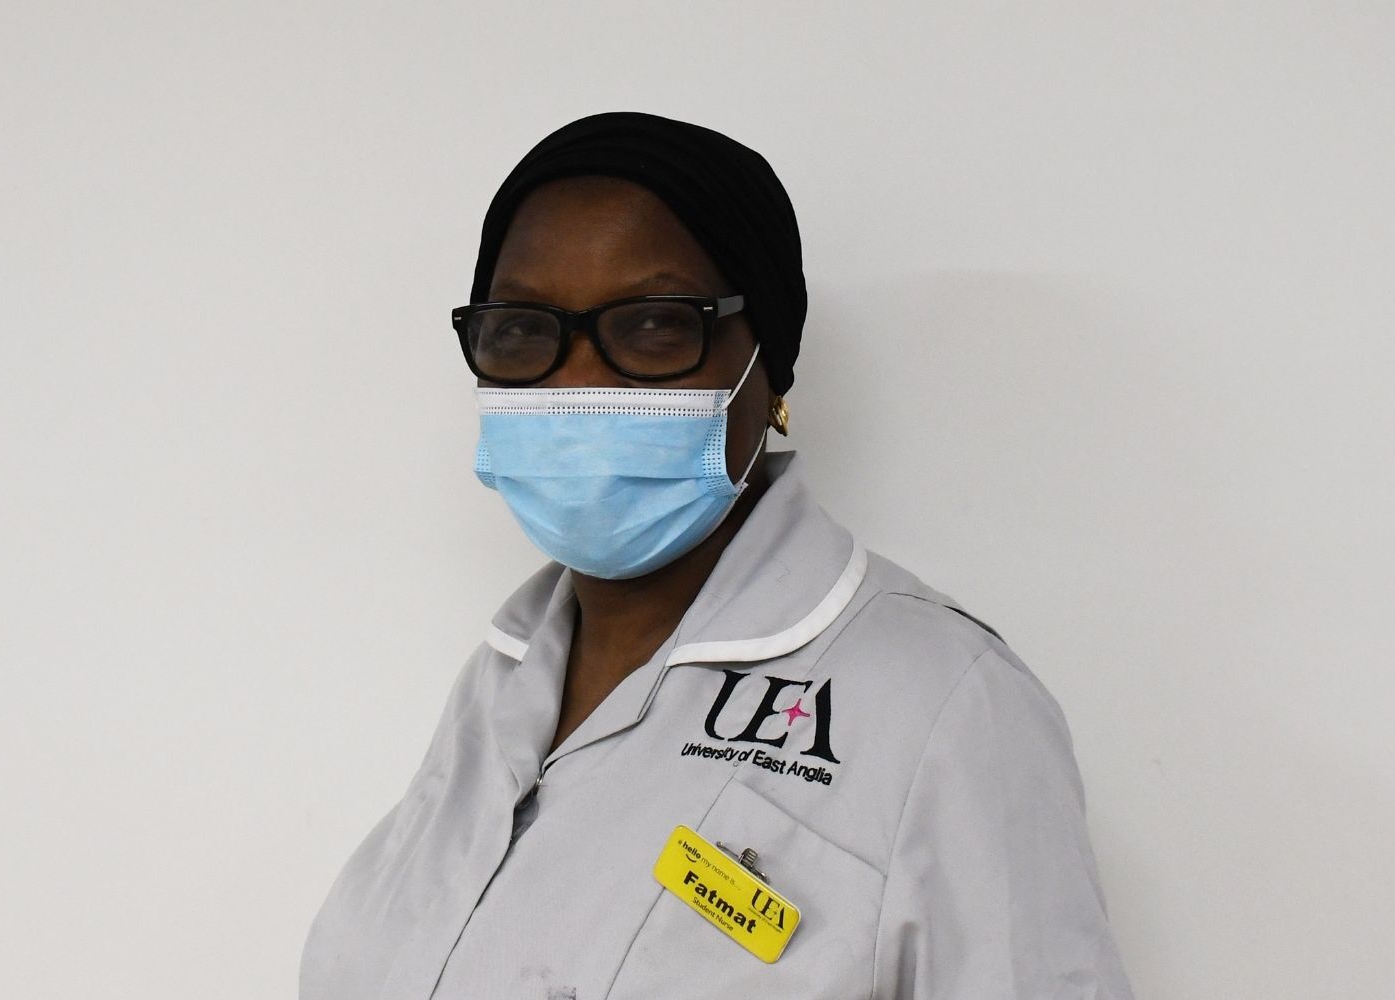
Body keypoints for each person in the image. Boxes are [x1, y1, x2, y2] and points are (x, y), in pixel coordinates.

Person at [301, 111, 1134, 1000]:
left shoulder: (947, 708)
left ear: (767, 371)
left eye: (657, 325)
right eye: (523, 330)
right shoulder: (501, 680)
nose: (577, 382)